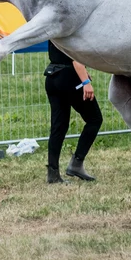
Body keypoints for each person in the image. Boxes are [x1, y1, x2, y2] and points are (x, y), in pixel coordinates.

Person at [44, 41, 104, 183]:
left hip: (52, 76)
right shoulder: (70, 25)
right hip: (68, 78)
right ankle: (76, 164)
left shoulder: (53, 27)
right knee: (94, 119)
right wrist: (85, 83)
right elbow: (75, 58)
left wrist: (82, 73)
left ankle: (53, 173)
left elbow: (62, 54)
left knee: (58, 127)